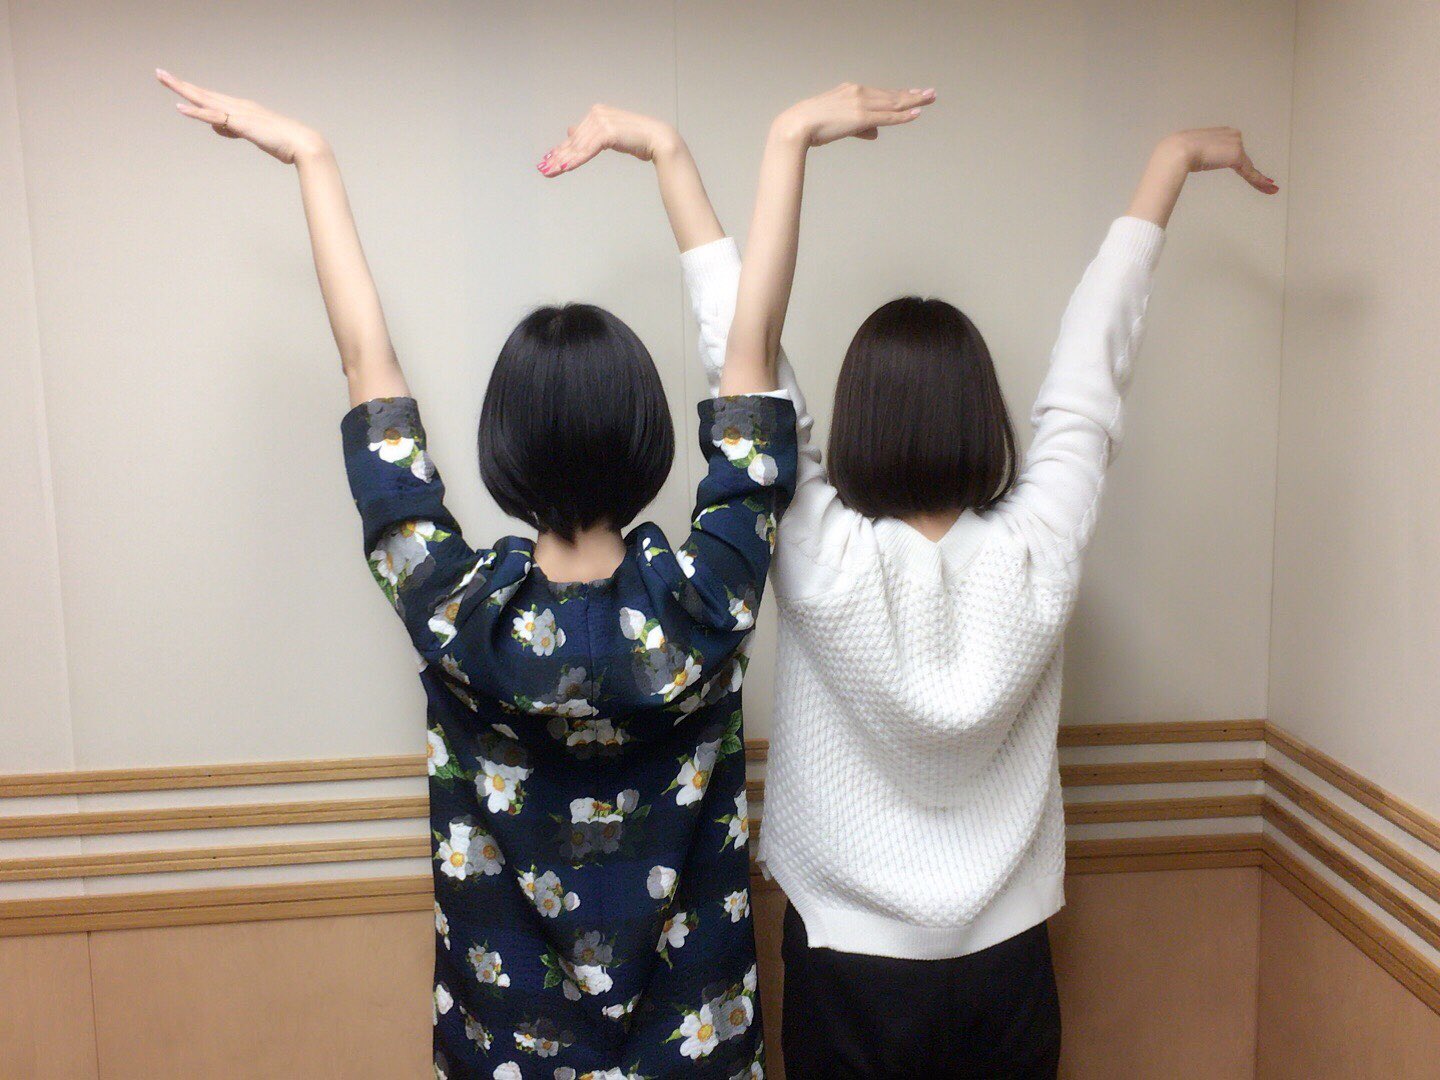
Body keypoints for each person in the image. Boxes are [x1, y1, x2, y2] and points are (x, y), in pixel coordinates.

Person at [157, 67, 817, 1080]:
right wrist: (737, 147)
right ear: (647, 437)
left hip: (506, 1053)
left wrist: (313, 160)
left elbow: (366, 368)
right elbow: (752, 357)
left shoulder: (455, 614)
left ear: (504, 447)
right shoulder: (707, 600)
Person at [641, 83, 1275, 1077]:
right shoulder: (1037, 547)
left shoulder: (819, 548)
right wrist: (1169, 167)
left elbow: (746, 362)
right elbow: (1090, 380)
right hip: (1007, 964)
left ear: (858, 420)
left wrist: (724, 153)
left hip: (845, 963)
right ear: (984, 414)